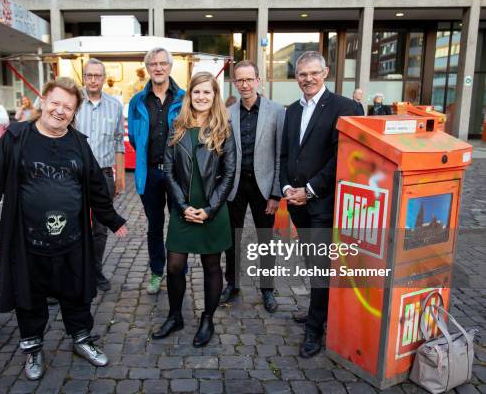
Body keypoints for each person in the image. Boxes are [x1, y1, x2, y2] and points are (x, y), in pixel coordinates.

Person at [0, 77, 128, 380]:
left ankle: (82, 339)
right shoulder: (17, 138)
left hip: (71, 240)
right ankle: (33, 348)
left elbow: (97, 186)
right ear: (43, 101)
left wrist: (112, 220)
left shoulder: (79, 144)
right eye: (55, 103)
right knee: (28, 296)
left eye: (68, 108)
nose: (60, 111)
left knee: (76, 294)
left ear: (74, 113)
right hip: (27, 241)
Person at [279, 51, 355, 358]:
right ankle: (318, 312)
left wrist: (309, 190)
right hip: (297, 204)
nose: (308, 79)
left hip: (324, 204)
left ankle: (314, 329)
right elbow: (285, 155)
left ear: (325, 72)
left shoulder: (345, 107)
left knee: (322, 267)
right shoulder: (292, 111)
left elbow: (342, 158)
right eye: (301, 74)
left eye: (313, 73)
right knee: (312, 264)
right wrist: (287, 187)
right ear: (296, 77)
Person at [152, 71, 235, 347]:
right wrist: (183, 205)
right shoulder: (177, 127)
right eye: (196, 91)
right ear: (190, 95)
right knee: (175, 265)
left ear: (214, 96)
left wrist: (210, 209)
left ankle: (207, 319)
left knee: (212, 265)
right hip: (182, 207)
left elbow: (230, 172)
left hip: (213, 207)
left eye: (207, 92)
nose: (201, 96)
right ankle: (175, 316)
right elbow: (168, 171)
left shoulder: (224, 128)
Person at [221, 60, 285, 313]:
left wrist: (275, 194)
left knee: (265, 240)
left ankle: (267, 289)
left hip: (264, 186)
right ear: (235, 83)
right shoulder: (229, 113)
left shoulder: (277, 111)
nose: (245, 84)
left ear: (259, 80)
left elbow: (281, 155)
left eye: (249, 79)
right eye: (240, 80)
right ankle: (232, 284)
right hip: (235, 186)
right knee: (231, 239)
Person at [128, 47, 185, 294]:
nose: (158, 68)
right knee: (154, 225)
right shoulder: (137, 101)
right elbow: (133, 137)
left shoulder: (184, 98)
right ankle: (156, 271)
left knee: (178, 224)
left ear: (170, 67)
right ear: (147, 68)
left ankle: (178, 269)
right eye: (153, 64)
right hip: (150, 173)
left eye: (163, 63)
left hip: (176, 173)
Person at [76, 58, 126, 292]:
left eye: (98, 76)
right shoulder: (73, 103)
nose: (93, 80)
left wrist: (120, 175)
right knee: (72, 225)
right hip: (73, 175)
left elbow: (118, 141)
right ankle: (75, 271)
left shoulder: (114, 106)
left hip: (104, 174)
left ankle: (95, 271)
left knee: (100, 227)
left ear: (104, 79)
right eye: (89, 75)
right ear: (83, 78)